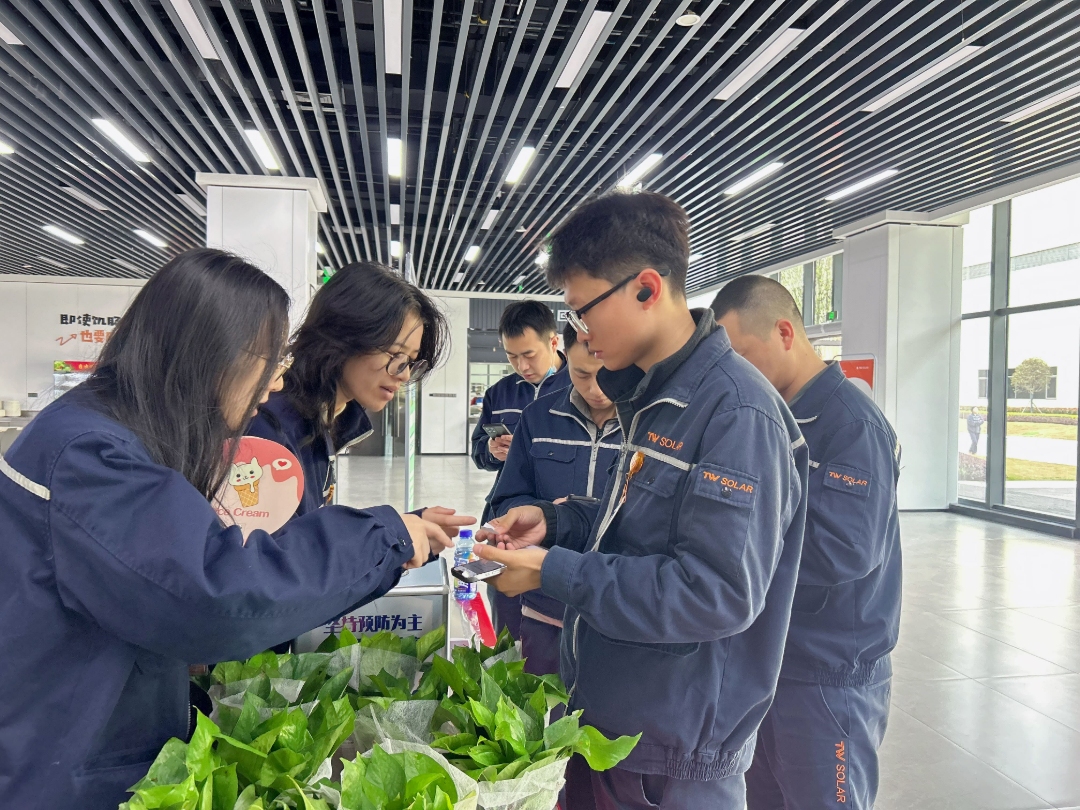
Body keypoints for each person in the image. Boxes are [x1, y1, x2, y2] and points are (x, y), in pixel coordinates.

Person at [0, 249, 450, 808]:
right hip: (64, 761)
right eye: (270, 361)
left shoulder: (108, 432)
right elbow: (219, 591)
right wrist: (381, 536)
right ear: (211, 353)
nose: (275, 382)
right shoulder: (93, 456)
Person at [474, 192, 809, 810]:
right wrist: (555, 522)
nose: (580, 334)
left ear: (647, 289)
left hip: (671, 760)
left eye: (583, 311)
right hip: (613, 728)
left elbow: (715, 592)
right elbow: (632, 524)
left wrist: (552, 571)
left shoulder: (736, 413)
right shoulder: (654, 398)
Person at [711, 275, 902, 810]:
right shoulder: (767, 416)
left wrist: (732, 547)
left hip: (829, 674)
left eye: (743, 356)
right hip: (771, 659)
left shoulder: (852, 425)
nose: (737, 373)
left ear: (785, 332)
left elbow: (845, 548)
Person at [247, 261, 474, 536]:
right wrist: (390, 534)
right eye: (396, 355)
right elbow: (279, 555)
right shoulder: (269, 428)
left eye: (411, 362)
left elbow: (309, 535)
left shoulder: (323, 417)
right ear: (344, 334)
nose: (404, 375)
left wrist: (401, 527)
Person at [488, 321, 622, 676]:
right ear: (566, 358)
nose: (596, 389)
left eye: (607, 375)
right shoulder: (538, 418)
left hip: (614, 609)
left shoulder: (649, 428)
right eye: (582, 374)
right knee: (543, 702)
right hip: (544, 605)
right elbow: (506, 497)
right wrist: (533, 515)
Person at [470, 300, 570, 636]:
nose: (522, 366)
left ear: (553, 342)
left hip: (557, 523)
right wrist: (491, 451)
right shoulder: (500, 394)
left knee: (551, 622)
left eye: (529, 354)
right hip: (508, 517)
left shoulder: (579, 388)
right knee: (506, 612)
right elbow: (477, 451)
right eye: (512, 356)